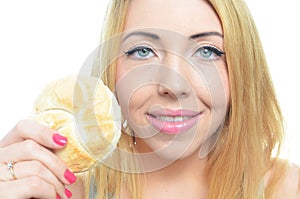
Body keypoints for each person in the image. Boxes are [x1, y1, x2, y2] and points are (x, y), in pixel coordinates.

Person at [0, 0, 299, 198]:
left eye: (207, 51)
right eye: (142, 51)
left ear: (242, 70)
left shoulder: (289, 189)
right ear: (112, 72)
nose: (173, 85)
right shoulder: (59, 191)